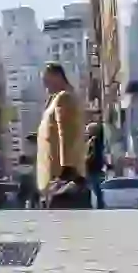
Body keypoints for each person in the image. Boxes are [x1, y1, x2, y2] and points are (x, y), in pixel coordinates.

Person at [36, 63, 89, 209]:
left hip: (62, 181)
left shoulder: (64, 98)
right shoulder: (55, 100)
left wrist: (67, 170)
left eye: (47, 79)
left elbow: (68, 133)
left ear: (58, 76)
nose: (45, 85)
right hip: (56, 181)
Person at [85, 122, 107, 209]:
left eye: (87, 130)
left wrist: (85, 160)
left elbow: (92, 155)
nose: (86, 132)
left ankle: (97, 207)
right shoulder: (98, 141)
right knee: (97, 189)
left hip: (92, 169)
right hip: (96, 169)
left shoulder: (93, 141)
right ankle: (99, 206)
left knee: (94, 189)